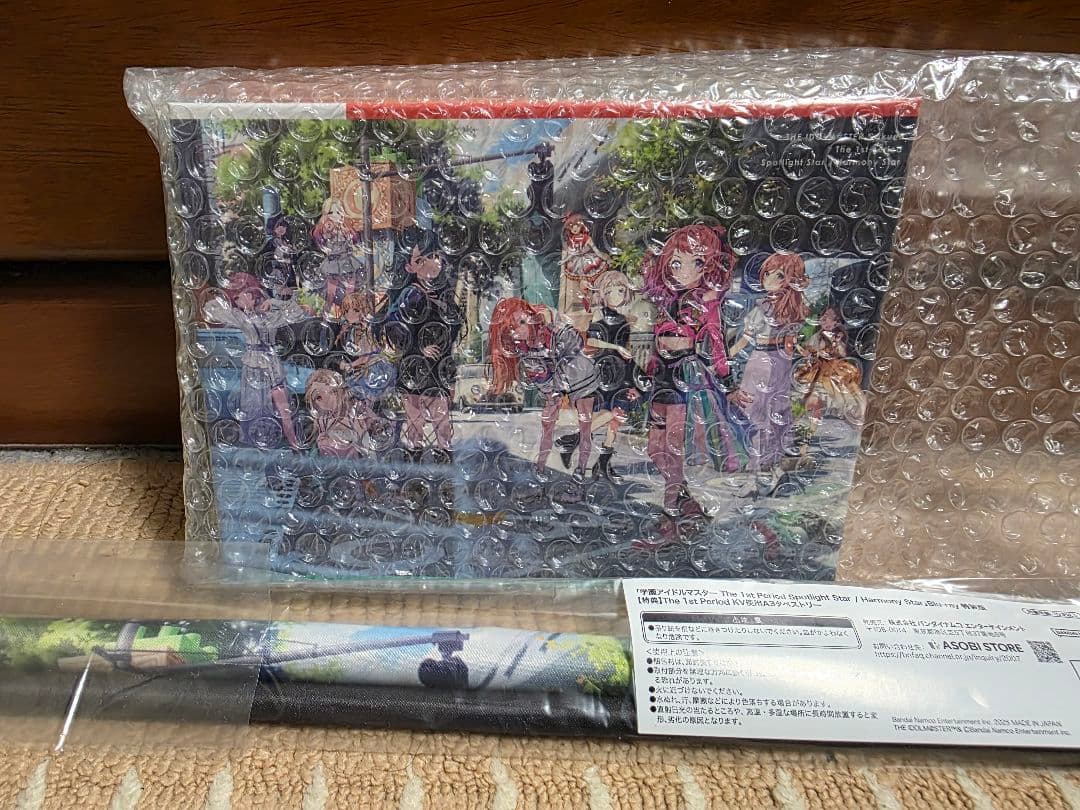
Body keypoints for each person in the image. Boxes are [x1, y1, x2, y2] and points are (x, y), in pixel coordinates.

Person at [641, 224, 747, 530]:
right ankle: (683, 496)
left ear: (709, 266)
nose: (684, 270)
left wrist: (727, 383)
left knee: (673, 449)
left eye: (697, 262)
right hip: (662, 377)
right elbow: (653, 343)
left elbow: (716, 343)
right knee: (654, 450)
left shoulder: (706, 301)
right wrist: (645, 374)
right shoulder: (665, 299)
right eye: (676, 262)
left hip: (686, 376)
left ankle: (670, 514)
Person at [488, 297, 600, 481]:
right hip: (556, 380)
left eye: (522, 322)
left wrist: (552, 334)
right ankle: (540, 468)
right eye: (512, 328)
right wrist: (552, 391)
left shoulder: (552, 332)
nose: (519, 330)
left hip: (579, 375)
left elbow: (574, 345)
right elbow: (541, 378)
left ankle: (580, 470)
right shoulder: (524, 349)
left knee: (585, 424)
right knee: (547, 423)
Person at [728, 253, 811, 495]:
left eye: (779, 276)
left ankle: (760, 473)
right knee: (765, 416)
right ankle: (765, 470)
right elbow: (749, 340)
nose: (769, 280)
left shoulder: (778, 308)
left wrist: (726, 356)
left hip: (770, 362)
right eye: (767, 274)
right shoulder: (770, 307)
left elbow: (749, 340)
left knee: (765, 417)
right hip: (769, 362)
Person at [376, 228, 461, 459]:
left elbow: (455, 324)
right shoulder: (410, 294)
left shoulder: (443, 293)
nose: (432, 263)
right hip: (414, 366)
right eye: (421, 260)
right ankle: (417, 460)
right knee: (416, 420)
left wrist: (444, 342)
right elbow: (396, 328)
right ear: (409, 268)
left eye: (433, 256)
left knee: (442, 419)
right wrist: (419, 348)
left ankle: (444, 458)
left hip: (438, 365)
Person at [555, 269, 644, 483]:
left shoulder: (624, 318)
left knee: (619, 416)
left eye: (621, 290)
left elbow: (624, 343)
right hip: (605, 368)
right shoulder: (598, 315)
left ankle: (601, 462)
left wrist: (626, 351)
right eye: (611, 291)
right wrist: (616, 347)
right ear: (603, 293)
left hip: (623, 368)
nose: (616, 295)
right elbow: (591, 341)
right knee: (613, 411)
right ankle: (574, 439)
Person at [202, 272, 306, 449]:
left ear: (252, 293)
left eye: (240, 295)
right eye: (234, 297)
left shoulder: (271, 314)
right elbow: (209, 309)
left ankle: (285, 438)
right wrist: (225, 300)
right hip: (252, 365)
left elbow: (297, 312)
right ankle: (258, 438)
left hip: (271, 364)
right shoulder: (240, 316)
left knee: (281, 405)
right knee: (253, 403)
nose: (237, 300)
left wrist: (273, 302)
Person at [795, 305, 865, 424]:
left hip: (835, 367)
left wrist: (837, 343)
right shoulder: (817, 336)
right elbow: (808, 351)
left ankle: (849, 411)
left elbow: (843, 353)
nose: (824, 320)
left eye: (829, 317)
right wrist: (799, 346)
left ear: (836, 322)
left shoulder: (838, 336)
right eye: (823, 316)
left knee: (843, 387)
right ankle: (818, 410)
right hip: (819, 367)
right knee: (814, 388)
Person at [304, 369, 382, 459]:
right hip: (336, 463)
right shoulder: (322, 420)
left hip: (363, 461)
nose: (318, 403)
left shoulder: (356, 408)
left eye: (319, 397)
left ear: (335, 391)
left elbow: (378, 427)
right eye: (316, 400)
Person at [558, 214, 609, 332]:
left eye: (577, 226)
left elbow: (595, 250)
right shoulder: (571, 240)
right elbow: (571, 253)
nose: (574, 229)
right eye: (572, 227)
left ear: (582, 226)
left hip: (587, 261)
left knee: (590, 285)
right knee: (582, 287)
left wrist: (604, 257)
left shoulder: (587, 238)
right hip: (577, 263)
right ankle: (586, 305)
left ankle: (591, 306)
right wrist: (564, 260)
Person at [312, 198, 361, 319]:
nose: (335, 215)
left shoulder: (346, 228)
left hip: (347, 261)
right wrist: (328, 230)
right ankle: (326, 313)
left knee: (350, 290)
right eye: (331, 212)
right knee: (331, 292)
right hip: (333, 262)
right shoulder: (326, 229)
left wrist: (346, 232)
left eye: (338, 212)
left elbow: (355, 240)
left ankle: (350, 314)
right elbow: (319, 238)